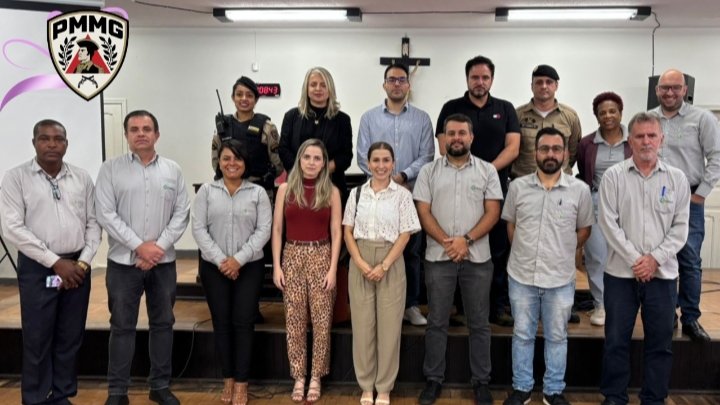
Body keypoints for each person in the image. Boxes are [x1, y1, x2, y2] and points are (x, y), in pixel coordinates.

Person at [0, 119, 101, 405]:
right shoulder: (16, 178)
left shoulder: (81, 178)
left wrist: (83, 263)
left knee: (70, 336)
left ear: (66, 144)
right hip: (39, 269)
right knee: (38, 336)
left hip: (77, 269)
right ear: (34, 143)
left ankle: (61, 394)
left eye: (58, 139)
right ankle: (36, 397)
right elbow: (12, 228)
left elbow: (93, 223)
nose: (52, 144)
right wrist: (55, 262)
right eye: (45, 139)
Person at [96, 110, 190, 405]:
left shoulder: (173, 170)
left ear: (156, 135)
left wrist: (156, 248)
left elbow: (182, 213)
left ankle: (159, 386)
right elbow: (105, 214)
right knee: (121, 327)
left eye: (146, 129)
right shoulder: (110, 169)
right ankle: (117, 392)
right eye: (134, 129)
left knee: (163, 324)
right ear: (126, 135)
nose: (140, 134)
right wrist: (140, 246)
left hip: (163, 263)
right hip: (123, 265)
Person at [599, 112, 690, 405]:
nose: (646, 141)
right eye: (640, 136)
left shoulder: (677, 179)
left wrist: (654, 260)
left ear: (661, 139)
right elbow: (608, 224)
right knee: (615, 341)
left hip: (662, 276)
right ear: (630, 141)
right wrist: (637, 260)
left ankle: (653, 399)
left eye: (652, 135)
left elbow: (680, 228)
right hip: (620, 275)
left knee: (660, 344)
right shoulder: (614, 177)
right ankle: (614, 397)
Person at [414, 114, 502, 405]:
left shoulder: (488, 171)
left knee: (479, 323)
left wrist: (467, 240)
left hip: (477, 259)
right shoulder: (428, 172)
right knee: (437, 321)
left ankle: (481, 382)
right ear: (443, 138)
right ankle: (433, 380)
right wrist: (448, 242)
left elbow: (493, 212)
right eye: (451, 133)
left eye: (462, 133)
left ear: (471, 137)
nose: (456, 138)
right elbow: (423, 212)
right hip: (438, 258)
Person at [502, 127, 593, 405]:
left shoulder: (580, 190)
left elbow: (584, 230)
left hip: (560, 278)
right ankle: (522, 388)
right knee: (522, 335)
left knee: (557, 337)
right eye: (544, 149)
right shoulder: (517, 187)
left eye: (556, 149)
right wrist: (526, 250)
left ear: (565, 154)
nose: (550, 154)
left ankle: (553, 391)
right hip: (522, 275)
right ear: (535, 153)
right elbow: (511, 226)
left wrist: (560, 251)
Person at [436, 55, 521, 327]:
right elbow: (444, 146)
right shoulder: (451, 107)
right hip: (457, 189)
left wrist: (485, 172)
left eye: (485, 77)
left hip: (495, 189)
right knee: (458, 243)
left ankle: (498, 306)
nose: (480, 82)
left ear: (492, 80)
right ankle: (457, 305)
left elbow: (513, 148)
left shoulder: (505, 109)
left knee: (497, 248)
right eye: (475, 77)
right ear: (467, 79)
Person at [192, 139, 272, 405]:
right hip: (214, 268)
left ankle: (242, 382)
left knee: (243, 322)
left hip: (249, 267)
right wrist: (222, 261)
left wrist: (238, 260)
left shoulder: (258, 193)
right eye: (226, 158)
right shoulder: (206, 191)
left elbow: (264, 230)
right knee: (222, 322)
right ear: (219, 162)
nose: (232, 163)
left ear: (245, 163)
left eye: (237, 158)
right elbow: (199, 229)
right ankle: (227, 378)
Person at [356, 63, 434, 326]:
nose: (397, 84)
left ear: (409, 85)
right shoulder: (369, 118)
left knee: (411, 253)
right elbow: (362, 156)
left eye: (402, 80)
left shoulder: (422, 119)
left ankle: (410, 305)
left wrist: (401, 177)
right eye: (392, 80)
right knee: (378, 250)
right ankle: (378, 305)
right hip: (377, 197)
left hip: (411, 194)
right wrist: (386, 181)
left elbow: (427, 156)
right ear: (384, 85)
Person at [344, 142, 421, 405]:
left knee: (389, 330)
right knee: (363, 328)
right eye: (375, 160)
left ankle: (384, 387)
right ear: (368, 163)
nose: (380, 165)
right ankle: (366, 386)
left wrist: (384, 265)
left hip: (391, 260)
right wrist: (360, 262)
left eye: (386, 160)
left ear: (393, 163)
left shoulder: (402, 195)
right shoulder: (356, 194)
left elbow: (406, 234)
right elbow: (347, 231)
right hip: (360, 258)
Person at [650, 68, 720, 342]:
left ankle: (690, 317)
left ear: (685, 90)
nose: (670, 92)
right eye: (664, 88)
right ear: (657, 90)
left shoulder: (702, 118)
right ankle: (667, 313)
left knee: (689, 259)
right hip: (654, 198)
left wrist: (700, 195)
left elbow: (716, 157)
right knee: (660, 257)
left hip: (690, 197)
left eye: (675, 87)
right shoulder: (649, 119)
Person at [271, 138, 342, 403]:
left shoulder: (332, 192)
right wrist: (277, 265)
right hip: (292, 255)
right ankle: (299, 376)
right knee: (295, 320)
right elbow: (277, 229)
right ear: (299, 160)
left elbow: (336, 232)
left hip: (321, 254)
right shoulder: (285, 189)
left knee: (322, 321)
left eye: (317, 158)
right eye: (307, 157)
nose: (312, 163)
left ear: (324, 163)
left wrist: (333, 268)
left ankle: (316, 377)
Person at [577, 92, 631, 326]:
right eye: (602, 113)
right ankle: (600, 304)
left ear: (620, 112)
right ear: (596, 116)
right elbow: (584, 172)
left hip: (628, 204)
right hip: (596, 202)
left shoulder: (633, 141)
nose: (608, 116)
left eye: (612, 111)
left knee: (625, 255)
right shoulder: (586, 143)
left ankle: (623, 304)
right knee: (596, 256)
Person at [279, 67, 353, 201]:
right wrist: (304, 171)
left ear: (330, 89)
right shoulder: (291, 116)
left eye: (323, 85)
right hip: (297, 185)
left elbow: (346, 156)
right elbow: (283, 150)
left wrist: (321, 171)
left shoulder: (342, 120)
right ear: (306, 89)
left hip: (332, 186)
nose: (318, 89)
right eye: (313, 84)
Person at [211, 76, 284, 194]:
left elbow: (278, 164)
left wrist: (268, 177)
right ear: (233, 98)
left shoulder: (267, 127)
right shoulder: (223, 127)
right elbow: (216, 162)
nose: (244, 98)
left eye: (249, 95)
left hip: (260, 190)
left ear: (256, 99)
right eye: (239, 94)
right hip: (229, 191)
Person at [514, 64, 582, 178]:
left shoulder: (570, 116)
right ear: (532, 86)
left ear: (556, 86)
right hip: (524, 182)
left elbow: (573, 152)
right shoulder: (517, 115)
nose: (544, 86)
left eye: (549, 82)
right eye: (539, 82)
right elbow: (511, 149)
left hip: (561, 183)